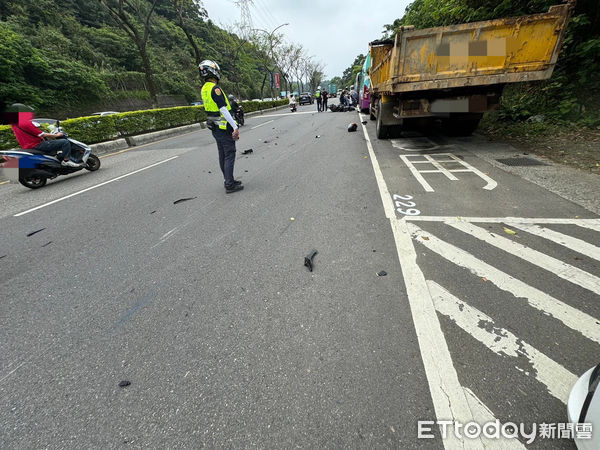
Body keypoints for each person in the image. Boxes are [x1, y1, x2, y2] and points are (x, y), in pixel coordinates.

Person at [199, 60, 243, 194]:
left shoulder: (204, 89)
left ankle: (228, 179)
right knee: (229, 154)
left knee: (222, 155)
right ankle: (229, 184)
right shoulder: (215, 88)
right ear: (214, 72)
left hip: (214, 127)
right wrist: (235, 126)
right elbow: (223, 109)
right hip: (223, 127)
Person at [8, 103, 80, 167]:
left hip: (26, 146)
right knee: (64, 142)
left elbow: (31, 133)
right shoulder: (25, 123)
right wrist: (57, 135)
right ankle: (66, 161)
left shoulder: (14, 124)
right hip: (36, 145)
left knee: (51, 144)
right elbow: (41, 134)